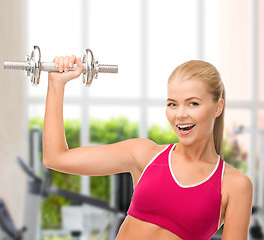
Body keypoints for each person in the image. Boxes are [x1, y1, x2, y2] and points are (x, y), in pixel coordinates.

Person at [43, 55, 253, 240]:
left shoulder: (235, 185)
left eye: (193, 103)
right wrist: (56, 84)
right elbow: (55, 158)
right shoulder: (145, 155)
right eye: (172, 104)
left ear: (218, 107)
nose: (180, 114)